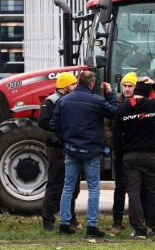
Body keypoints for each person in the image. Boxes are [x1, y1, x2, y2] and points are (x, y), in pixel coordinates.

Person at [50, 70, 119, 237]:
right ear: (91, 84)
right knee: (94, 188)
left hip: (71, 150)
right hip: (91, 151)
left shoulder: (64, 101)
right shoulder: (96, 100)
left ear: (78, 81)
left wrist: (64, 140)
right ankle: (92, 227)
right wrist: (110, 93)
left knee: (67, 187)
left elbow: (54, 124)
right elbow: (116, 111)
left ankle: (64, 225)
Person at [112, 77, 155, 239]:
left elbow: (116, 138)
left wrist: (125, 149)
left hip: (130, 157)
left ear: (135, 91)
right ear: (146, 92)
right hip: (150, 156)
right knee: (153, 193)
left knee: (133, 194)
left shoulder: (122, 109)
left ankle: (139, 230)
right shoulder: (151, 105)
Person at [38, 72, 79, 231]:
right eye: (73, 84)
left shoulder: (67, 100)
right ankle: (48, 221)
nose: (75, 87)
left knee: (73, 186)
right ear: (66, 86)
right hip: (56, 149)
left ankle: (70, 217)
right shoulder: (51, 101)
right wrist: (60, 138)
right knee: (55, 184)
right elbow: (43, 123)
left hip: (69, 147)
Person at [103, 71, 137, 231]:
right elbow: (106, 125)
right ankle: (117, 219)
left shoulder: (143, 102)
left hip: (137, 150)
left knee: (137, 186)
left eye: (130, 86)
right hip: (120, 151)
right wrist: (113, 143)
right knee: (120, 186)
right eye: (125, 86)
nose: (127, 89)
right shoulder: (116, 102)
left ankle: (137, 219)